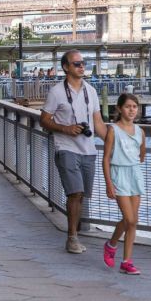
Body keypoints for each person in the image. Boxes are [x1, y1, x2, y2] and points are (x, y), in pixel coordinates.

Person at [39, 49, 107, 254]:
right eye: (76, 63)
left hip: (88, 150)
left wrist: (114, 143)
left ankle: (75, 233)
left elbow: (98, 123)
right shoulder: (56, 92)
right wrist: (65, 129)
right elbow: (44, 119)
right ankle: (72, 238)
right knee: (74, 192)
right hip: (66, 148)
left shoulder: (91, 91)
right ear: (66, 67)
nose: (81, 66)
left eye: (83, 63)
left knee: (82, 195)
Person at [102, 93, 146, 275]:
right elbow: (106, 158)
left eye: (134, 107)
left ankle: (126, 261)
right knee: (129, 219)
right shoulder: (113, 130)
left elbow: (142, 153)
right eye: (128, 106)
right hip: (119, 174)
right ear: (119, 109)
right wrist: (108, 183)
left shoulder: (140, 131)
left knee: (133, 221)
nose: (131, 110)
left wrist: (134, 162)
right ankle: (111, 244)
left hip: (134, 173)